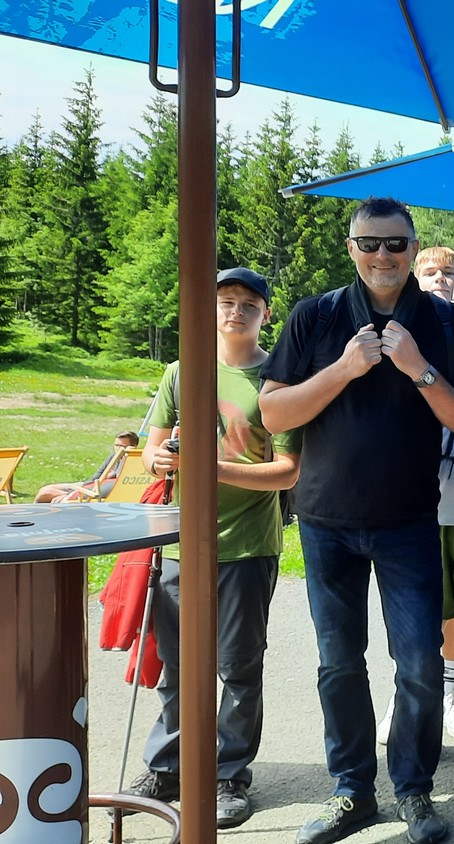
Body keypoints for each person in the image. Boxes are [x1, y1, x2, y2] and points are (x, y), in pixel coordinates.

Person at [260, 197, 454, 844]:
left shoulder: (445, 320)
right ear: (351, 247)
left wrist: (419, 369)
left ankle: (413, 790)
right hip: (326, 520)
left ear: (412, 247)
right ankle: (352, 791)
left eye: (395, 244)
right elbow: (274, 414)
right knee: (339, 664)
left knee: (419, 664)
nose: (383, 255)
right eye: (369, 243)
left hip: (410, 520)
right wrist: (343, 369)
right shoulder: (317, 315)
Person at [123, 268, 301, 829]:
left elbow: (288, 472)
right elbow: (151, 452)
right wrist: (163, 458)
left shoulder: (279, 376)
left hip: (247, 545)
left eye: (249, 303)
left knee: (238, 667)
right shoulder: (182, 370)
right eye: (226, 301)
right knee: (177, 665)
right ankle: (168, 765)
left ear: (265, 313)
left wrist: (209, 467)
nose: (235, 311)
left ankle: (228, 776)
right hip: (181, 542)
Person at [377, 268, 454, 747]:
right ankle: (407, 694)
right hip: (416, 504)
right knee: (415, 608)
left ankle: (448, 691)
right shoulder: (428, 349)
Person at [34, 430, 139, 502]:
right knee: (45, 489)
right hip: (89, 486)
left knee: (45, 494)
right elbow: (96, 476)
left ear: (133, 447)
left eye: (122, 446)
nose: (118, 449)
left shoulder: (133, 462)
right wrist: (78, 489)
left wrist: (128, 456)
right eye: (116, 445)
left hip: (98, 490)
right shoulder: (113, 457)